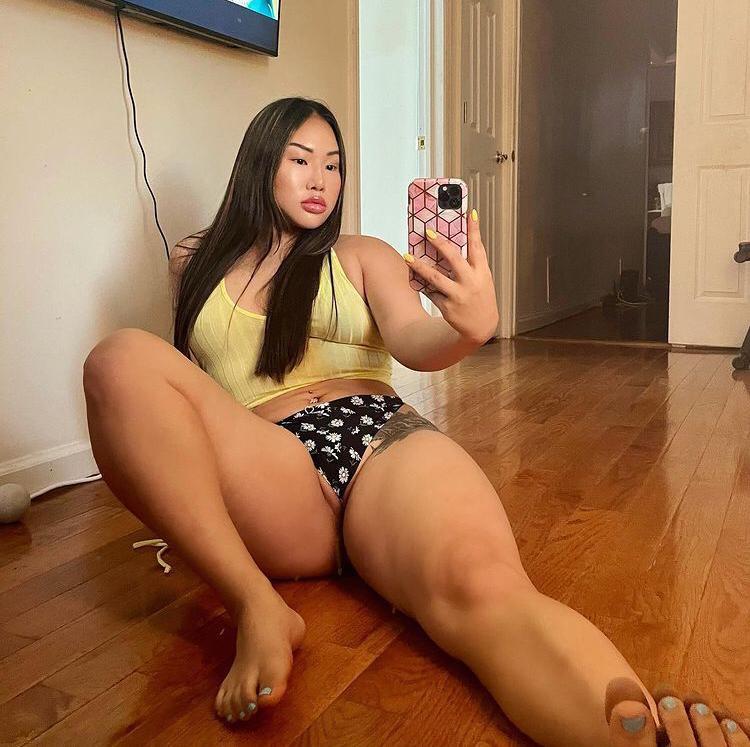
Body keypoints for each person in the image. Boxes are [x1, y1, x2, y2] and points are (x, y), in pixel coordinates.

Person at [82, 97, 746, 746]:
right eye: (301, 160)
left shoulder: (362, 255)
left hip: (381, 441)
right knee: (120, 360)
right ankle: (257, 603)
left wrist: (469, 327)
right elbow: (180, 385)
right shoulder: (194, 261)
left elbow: (414, 341)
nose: (321, 180)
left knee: (482, 584)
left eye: (334, 164)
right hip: (267, 463)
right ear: (260, 162)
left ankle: (636, 738)